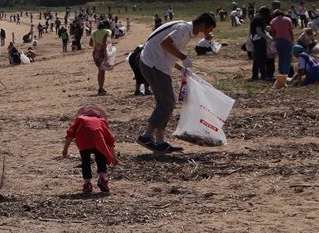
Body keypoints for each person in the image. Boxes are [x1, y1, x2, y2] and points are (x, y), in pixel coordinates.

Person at [136, 13, 217, 153]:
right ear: (203, 25)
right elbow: (165, 43)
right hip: (154, 64)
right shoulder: (183, 29)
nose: (208, 33)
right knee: (168, 102)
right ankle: (146, 135)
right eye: (209, 29)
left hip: (155, 63)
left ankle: (160, 141)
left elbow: (167, 51)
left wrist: (181, 68)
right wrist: (184, 57)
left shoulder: (184, 30)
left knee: (164, 102)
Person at [62, 106, 118, 194]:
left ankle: (87, 183)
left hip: (83, 141)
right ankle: (102, 179)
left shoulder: (80, 119)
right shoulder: (101, 120)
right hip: (97, 140)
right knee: (101, 159)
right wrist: (113, 157)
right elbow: (109, 139)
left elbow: (71, 134)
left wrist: (65, 149)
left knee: (85, 162)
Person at [270, 8, 296, 77]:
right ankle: (286, 74)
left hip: (278, 41)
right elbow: (290, 31)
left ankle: (281, 73)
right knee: (287, 58)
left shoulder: (273, 21)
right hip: (287, 40)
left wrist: (274, 39)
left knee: (280, 58)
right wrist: (292, 40)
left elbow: (272, 32)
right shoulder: (287, 19)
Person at [249, 7, 273, 81]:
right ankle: (263, 76)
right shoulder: (260, 18)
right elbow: (258, 31)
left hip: (256, 40)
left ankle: (255, 75)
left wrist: (266, 27)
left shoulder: (256, 17)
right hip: (259, 40)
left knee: (257, 59)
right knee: (262, 58)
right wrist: (267, 38)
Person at [90, 21, 112, 96]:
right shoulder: (107, 31)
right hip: (102, 53)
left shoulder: (94, 32)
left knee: (100, 70)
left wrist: (97, 46)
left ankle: (100, 87)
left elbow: (90, 43)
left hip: (95, 53)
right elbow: (104, 41)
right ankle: (100, 88)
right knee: (102, 71)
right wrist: (105, 51)